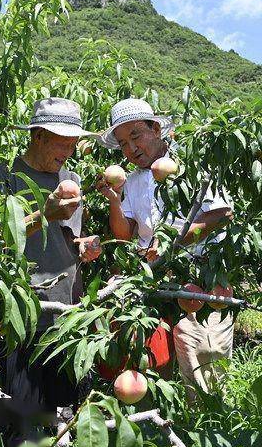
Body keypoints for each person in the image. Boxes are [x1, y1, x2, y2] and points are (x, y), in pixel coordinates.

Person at [0, 97, 102, 447]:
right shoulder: (3, 178)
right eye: (63, 140)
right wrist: (42, 216)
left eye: (74, 140)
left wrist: (83, 246)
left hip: (66, 313)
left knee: (67, 414)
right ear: (38, 135)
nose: (71, 148)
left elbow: (68, 238)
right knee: (27, 415)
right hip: (20, 314)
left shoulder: (71, 180)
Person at [95, 97, 234, 400]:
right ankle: (163, 423)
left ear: (155, 129)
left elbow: (222, 213)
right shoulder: (131, 180)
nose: (131, 149)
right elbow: (126, 233)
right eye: (123, 144)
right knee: (156, 360)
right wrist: (114, 200)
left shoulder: (190, 165)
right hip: (152, 279)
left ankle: (208, 428)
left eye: (136, 137)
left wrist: (173, 242)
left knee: (203, 357)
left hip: (197, 275)